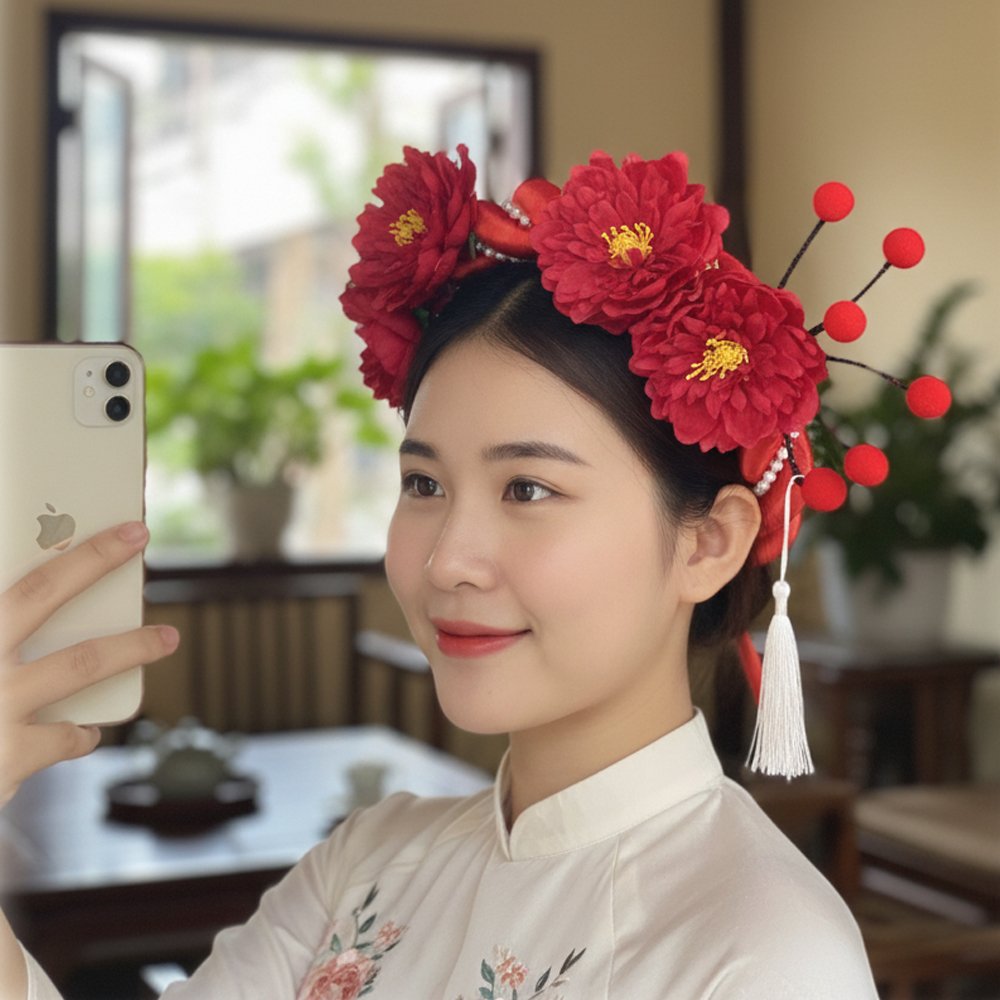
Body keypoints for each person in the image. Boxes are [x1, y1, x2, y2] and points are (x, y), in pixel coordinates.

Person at [1, 147, 887, 998]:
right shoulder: (367, 864)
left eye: (528, 489)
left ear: (708, 544)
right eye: (423, 484)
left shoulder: (766, 951)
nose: (446, 560)